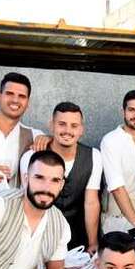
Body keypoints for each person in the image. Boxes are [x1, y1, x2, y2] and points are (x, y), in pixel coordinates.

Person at [19, 102, 102, 253]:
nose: (67, 131)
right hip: (40, 235)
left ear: (81, 129)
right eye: (62, 124)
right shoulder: (32, 156)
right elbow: (26, 200)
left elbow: (91, 202)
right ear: (52, 125)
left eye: (74, 126)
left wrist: (93, 242)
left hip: (78, 238)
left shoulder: (94, 156)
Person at [100, 90, 135, 234]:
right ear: (123, 111)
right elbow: (117, 187)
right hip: (116, 220)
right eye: (131, 110)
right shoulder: (111, 140)